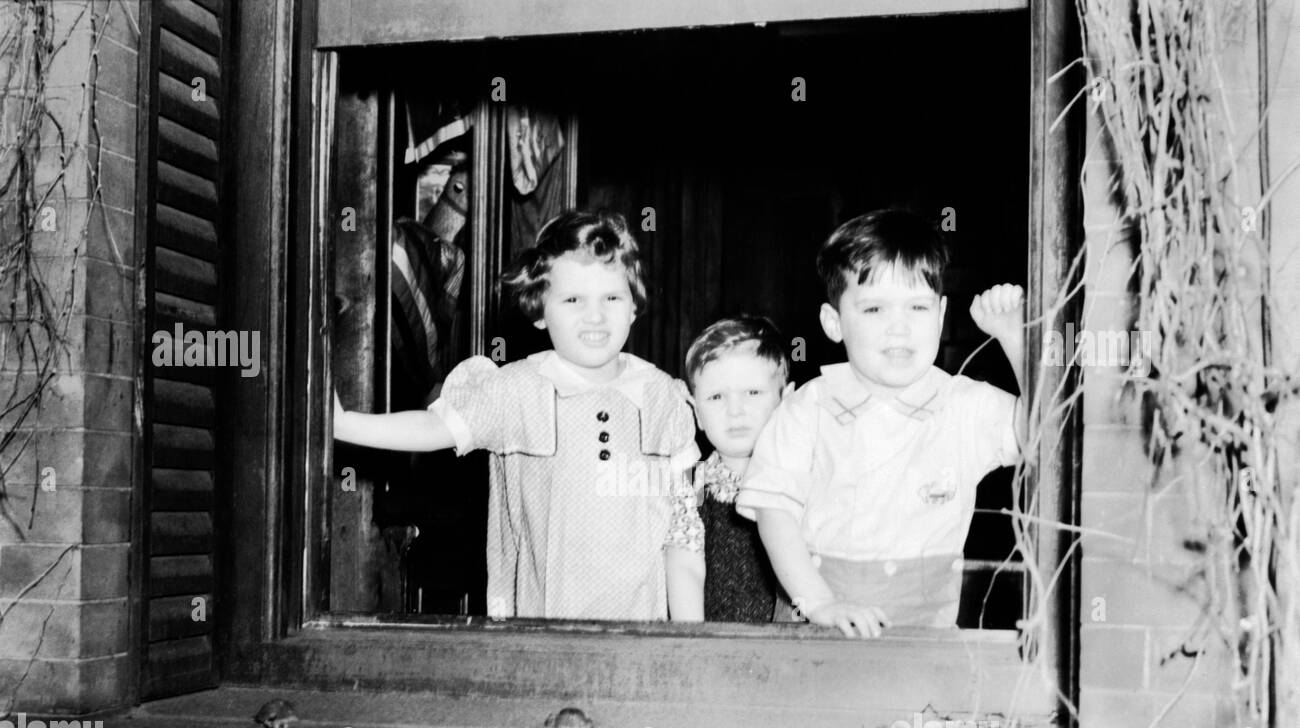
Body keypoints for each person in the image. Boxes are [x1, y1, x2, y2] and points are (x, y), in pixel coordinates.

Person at [334, 209, 705, 621]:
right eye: (573, 299)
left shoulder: (663, 398)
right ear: (540, 309)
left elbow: (683, 537)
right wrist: (345, 422)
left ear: (634, 305)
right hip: (544, 634)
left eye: (611, 297)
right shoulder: (518, 389)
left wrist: (692, 642)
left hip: (642, 642)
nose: (595, 315)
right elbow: (435, 426)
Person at [736, 208, 1026, 638]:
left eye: (917, 307)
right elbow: (774, 512)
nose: (899, 328)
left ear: (942, 315)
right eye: (873, 309)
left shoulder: (963, 406)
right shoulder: (807, 409)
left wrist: (1015, 337)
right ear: (834, 323)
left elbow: (1045, 434)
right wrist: (820, 604)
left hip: (923, 643)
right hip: (816, 637)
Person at [681, 316, 791, 622]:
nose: (735, 410)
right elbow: (684, 565)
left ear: (786, 401)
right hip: (715, 643)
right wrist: (692, 640)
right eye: (716, 397)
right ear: (696, 412)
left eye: (752, 393)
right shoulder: (692, 484)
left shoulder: (803, 480)